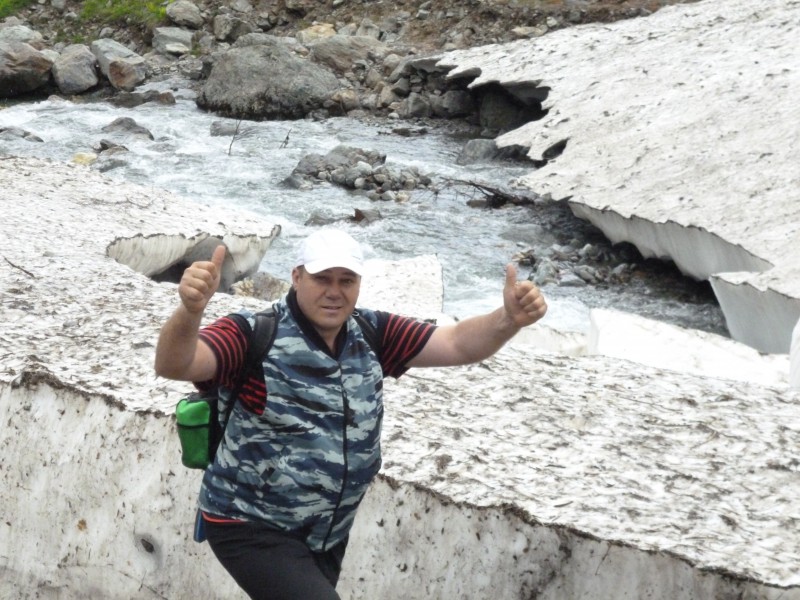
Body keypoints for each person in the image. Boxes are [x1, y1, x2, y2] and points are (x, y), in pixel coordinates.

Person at [155, 228, 547, 600]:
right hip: (250, 523)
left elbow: (457, 344)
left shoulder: (372, 332)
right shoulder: (253, 333)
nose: (334, 291)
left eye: (346, 280)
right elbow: (176, 364)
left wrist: (507, 319)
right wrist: (190, 311)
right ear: (296, 277)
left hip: (326, 532)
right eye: (322, 278)